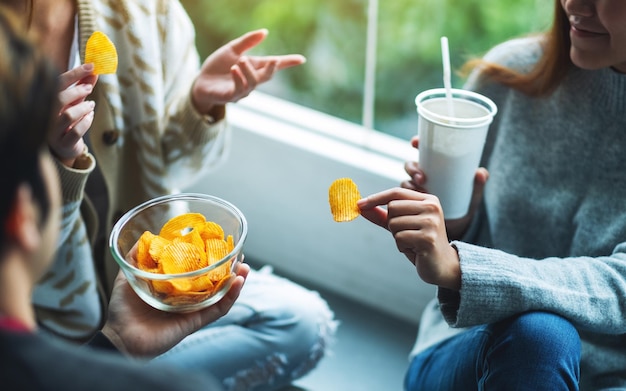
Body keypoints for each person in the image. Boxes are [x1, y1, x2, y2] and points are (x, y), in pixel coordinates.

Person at [0, 1, 337, 390]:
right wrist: (59, 163)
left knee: (303, 321)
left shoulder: (148, 11)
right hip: (42, 319)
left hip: (152, 288)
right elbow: (17, 255)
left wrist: (201, 104)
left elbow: (174, 167)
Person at [357, 0, 626, 389]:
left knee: (543, 332)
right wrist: (458, 224)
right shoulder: (511, 77)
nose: (573, 3)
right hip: (469, 351)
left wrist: (465, 268)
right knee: (541, 337)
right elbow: (467, 247)